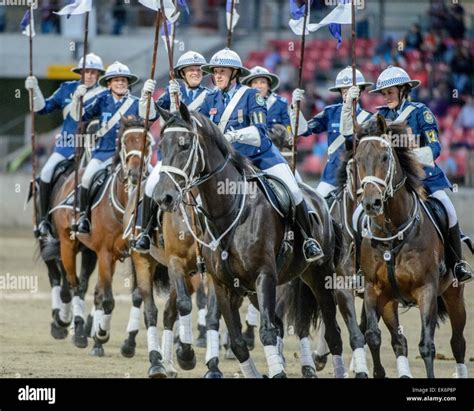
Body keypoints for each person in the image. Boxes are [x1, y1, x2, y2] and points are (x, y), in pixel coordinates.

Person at [198, 48, 323, 262]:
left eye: (222, 71)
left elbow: (258, 132)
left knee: (293, 190)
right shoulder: (210, 100)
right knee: (202, 202)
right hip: (230, 163)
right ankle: (206, 251)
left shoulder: (252, 95)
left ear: (235, 74)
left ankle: (309, 239)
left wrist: (231, 135)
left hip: (261, 157)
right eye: (215, 71)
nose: (217, 76)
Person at [368, 66, 472, 284]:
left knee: (449, 212)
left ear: (403, 90)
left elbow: (435, 147)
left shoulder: (420, 112)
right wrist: (349, 106)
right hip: (391, 181)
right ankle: (362, 265)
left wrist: (410, 156)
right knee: (363, 212)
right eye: (383, 93)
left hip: (424, 178)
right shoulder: (380, 117)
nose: (386, 97)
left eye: (390, 92)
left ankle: (457, 264)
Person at [134, 51, 210, 252]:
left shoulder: (211, 96)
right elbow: (149, 116)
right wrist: (146, 97)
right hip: (171, 158)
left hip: (197, 160)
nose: (195, 72)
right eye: (190, 69)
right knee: (150, 186)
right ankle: (145, 232)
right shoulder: (172, 94)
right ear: (182, 73)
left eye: (198, 69)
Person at [25, 53, 106, 237]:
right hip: (66, 147)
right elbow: (42, 108)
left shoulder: (105, 94)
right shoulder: (66, 89)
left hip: (95, 148)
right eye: (87, 72)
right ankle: (44, 220)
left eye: (94, 72)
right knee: (46, 173)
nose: (90, 75)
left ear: (99, 74)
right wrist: (34, 90)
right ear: (80, 73)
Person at [69, 61, 140, 233]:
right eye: (116, 80)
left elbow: (150, 118)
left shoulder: (136, 102)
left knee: (150, 179)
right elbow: (79, 116)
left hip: (129, 155)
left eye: (124, 80)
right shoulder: (101, 100)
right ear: (109, 83)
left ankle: (145, 224)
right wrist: (77, 99)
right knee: (86, 178)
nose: (121, 83)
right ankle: (84, 217)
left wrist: (148, 99)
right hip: (103, 153)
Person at [290, 66, 373, 200]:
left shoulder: (369, 118)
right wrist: (295, 109)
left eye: (351, 89)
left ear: (360, 91)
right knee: (316, 208)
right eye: (344, 90)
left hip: (360, 177)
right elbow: (304, 130)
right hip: (331, 176)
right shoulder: (330, 112)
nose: (347, 93)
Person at [242, 65, 291, 132]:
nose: (259, 86)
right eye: (255, 82)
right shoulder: (242, 104)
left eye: (263, 82)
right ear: (249, 87)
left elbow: (288, 131)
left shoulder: (281, 104)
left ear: (268, 86)